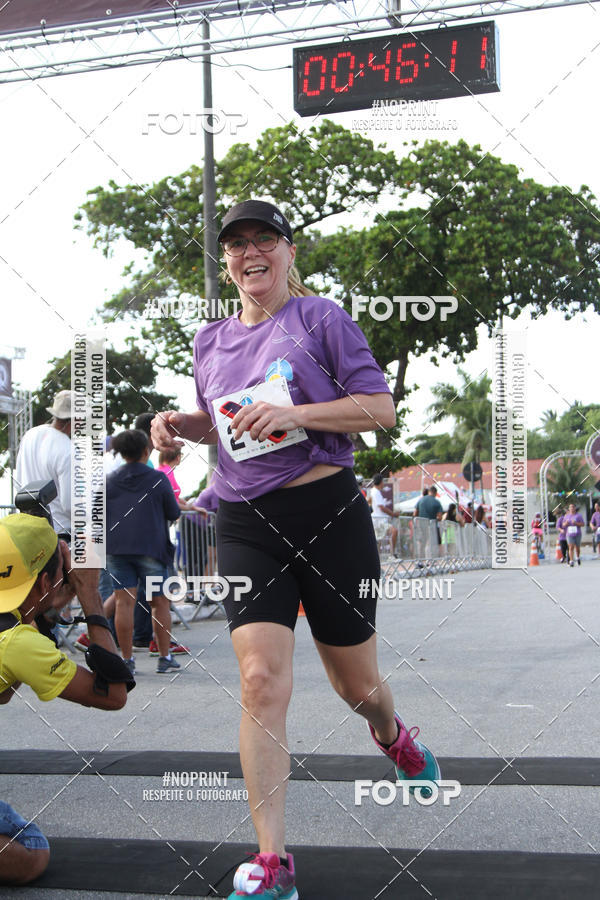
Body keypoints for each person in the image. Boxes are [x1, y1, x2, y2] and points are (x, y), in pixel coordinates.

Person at [152, 199, 440, 900]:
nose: (251, 253)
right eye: (236, 245)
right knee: (259, 681)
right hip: (246, 520)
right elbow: (223, 421)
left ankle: (391, 732)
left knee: (356, 686)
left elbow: (379, 409)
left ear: (287, 250)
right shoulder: (209, 339)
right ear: (225, 261)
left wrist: (297, 414)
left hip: (327, 511)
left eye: (264, 240)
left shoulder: (320, 319)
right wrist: (175, 425)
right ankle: (273, 861)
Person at [0, 513, 132, 885]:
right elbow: (114, 694)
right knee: (31, 854)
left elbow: (3, 693)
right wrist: (89, 593)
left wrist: (41, 607)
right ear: (45, 581)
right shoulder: (19, 643)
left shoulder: (14, 627)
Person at [104, 429, 182, 674]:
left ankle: (127, 660)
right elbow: (174, 513)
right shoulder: (157, 479)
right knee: (159, 602)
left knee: (123, 603)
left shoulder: (108, 480)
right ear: (146, 451)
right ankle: (164, 657)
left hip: (117, 549)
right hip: (151, 548)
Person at [15, 390, 73, 538]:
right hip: (59, 532)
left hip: (30, 528)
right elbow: (69, 504)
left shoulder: (30, 435)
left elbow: (19, 482)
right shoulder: (67, 448)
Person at [369, 473, 399, 556]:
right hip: (379, 520)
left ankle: (379, 558)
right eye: (383, 481)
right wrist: (393, 514)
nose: (383, 484)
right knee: (394, 531)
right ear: (380, 482)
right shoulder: (376, 492)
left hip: (379, 519)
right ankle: (392, 554)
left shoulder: (374, 491)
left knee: (379, 539)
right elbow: (381, 507)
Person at [562, 502, 585, 567]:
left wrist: (576, 523)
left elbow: (583, 524)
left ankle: (578, 557)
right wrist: (566, 523)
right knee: (571, 547)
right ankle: (571, 560)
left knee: (577, 547)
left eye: (573, 507)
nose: (572, 508)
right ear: (569, 509)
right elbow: (563, 525)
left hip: (577, 533)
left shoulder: (578, 515)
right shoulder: (566, 516)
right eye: (570, 507)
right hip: (569, 533)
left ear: (575, 508)